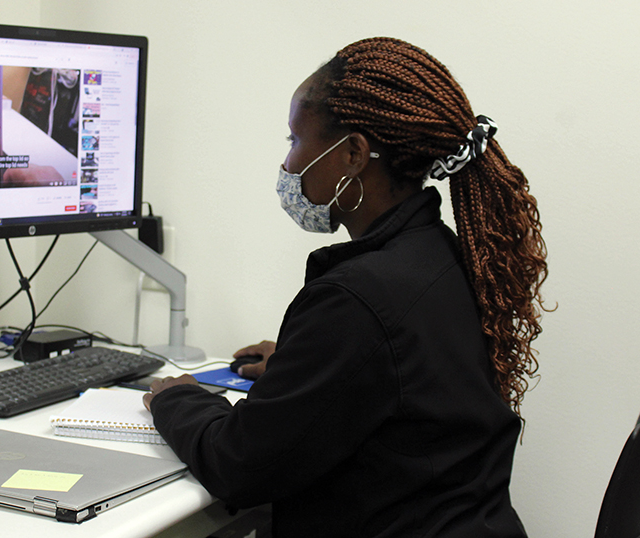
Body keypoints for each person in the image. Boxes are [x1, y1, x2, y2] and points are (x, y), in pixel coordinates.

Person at [143, 37, 548, 537]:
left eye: (294, 140)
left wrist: (177, 400)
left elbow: (238, 466)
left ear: (353, 154)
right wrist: (307, 368)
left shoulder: (359, 298)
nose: (288, 165)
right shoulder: (440, 253)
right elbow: (396, 378)